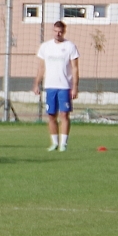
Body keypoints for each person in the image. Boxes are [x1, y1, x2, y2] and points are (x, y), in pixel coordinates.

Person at [35, 20, 79, 151]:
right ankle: (54, 143)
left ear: (64, 32)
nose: (57, 34)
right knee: (51, 115)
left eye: (60, 32)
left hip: (64, 86)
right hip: (50, 86)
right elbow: (41, 67)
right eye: (55, 31)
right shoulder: (45, 47)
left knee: (64, 115)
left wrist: (75, 86)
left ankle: (63, 144)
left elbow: (75, 68)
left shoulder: (70, 46)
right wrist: (37, 83)